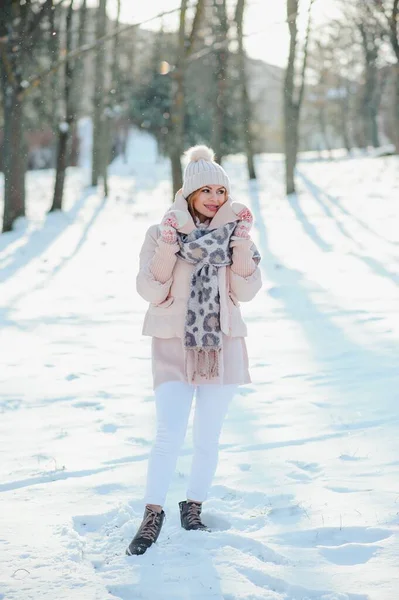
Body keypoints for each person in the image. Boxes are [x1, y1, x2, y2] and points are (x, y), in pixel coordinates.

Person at [126, 145, 262, 556]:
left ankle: (194, 506)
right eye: (205, 190)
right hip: (173, 346)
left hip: (223, 346)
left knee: (208, 436)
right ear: (188, 194)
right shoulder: (161, 232)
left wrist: (240, 243)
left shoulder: (237, 233)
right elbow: (149, 289)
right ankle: (152, 514)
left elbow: (248, 290)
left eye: (220, 191)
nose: (215, 198)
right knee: (168, 433)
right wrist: (169, 244)